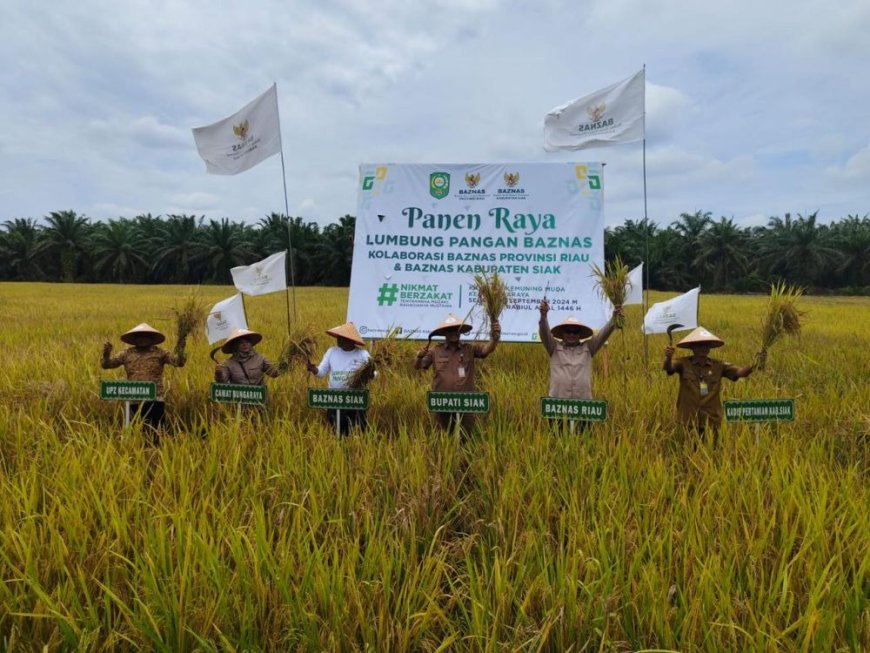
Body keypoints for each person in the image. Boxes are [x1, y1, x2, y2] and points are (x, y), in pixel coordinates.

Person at [663, 327, 765, 437]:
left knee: (713, 450)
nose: (703, 348)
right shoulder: (682, 363)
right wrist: (668, 357)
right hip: (688, 419)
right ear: (692, 347)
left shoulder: (719, 365)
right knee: (688, 450)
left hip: (712, 420)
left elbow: (740, 373)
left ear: (710, 347)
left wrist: (754, 363)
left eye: (706, 345)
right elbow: (669, 368)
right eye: (699, 345)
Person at [538, 299, 622, 431]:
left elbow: (603, 335)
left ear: (579, 334)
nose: (572, 334)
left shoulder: (589, 347)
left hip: (583, 405)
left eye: (575, 331)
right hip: (558, 404)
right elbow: (544, 333)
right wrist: (543, 316)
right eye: (568, 331)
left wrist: (614, 318)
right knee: (557, 440)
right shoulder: (554, 347)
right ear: (563, 333)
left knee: (583, 441)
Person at [414, 313, 500, 433]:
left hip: (466, 404)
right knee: (443, 437)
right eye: (450, 330)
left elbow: (487, 350)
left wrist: (495, 339)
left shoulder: (469, 349)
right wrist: (419, 356)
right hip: (442, 404)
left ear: (460, 332)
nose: (454, 332)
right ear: (444, 333)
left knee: (467, 437)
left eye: (457, 329)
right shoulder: (435, 351)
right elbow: (418, 366)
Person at [101, 322, 186, 441]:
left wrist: (181, 348)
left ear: (152, 339)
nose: (143, 339)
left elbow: (179, 362)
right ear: (135, 339)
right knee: (137, 432)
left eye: (146, 336)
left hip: (155, 398)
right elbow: (107, 365)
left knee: (157, 432)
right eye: (139, 336)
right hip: (135, 399)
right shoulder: (126, 354)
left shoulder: (160, 353)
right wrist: (106, 353)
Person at [307, 322, 371, 436]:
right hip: (334, 400)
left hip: (354, 401)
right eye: (338, 337)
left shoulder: (362, 354)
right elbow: (321, 372)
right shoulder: (332, 352)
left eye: (342, 337)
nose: (338, 339)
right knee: (335, 433)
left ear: (351, 340)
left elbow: (374, 373)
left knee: (356, 433)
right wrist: (314, 369)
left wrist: (369, 374)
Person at [214, 328, 283, 386]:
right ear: (235, 346)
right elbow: (222, 382)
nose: (245, 345)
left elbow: (275, 373)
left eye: (247, 342)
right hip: (238, 398)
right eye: (241, 343)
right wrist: (219, 373)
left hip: (260, 398)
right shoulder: (228, 363)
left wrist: (285, 363)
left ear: (251, 344)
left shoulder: (260, 359)